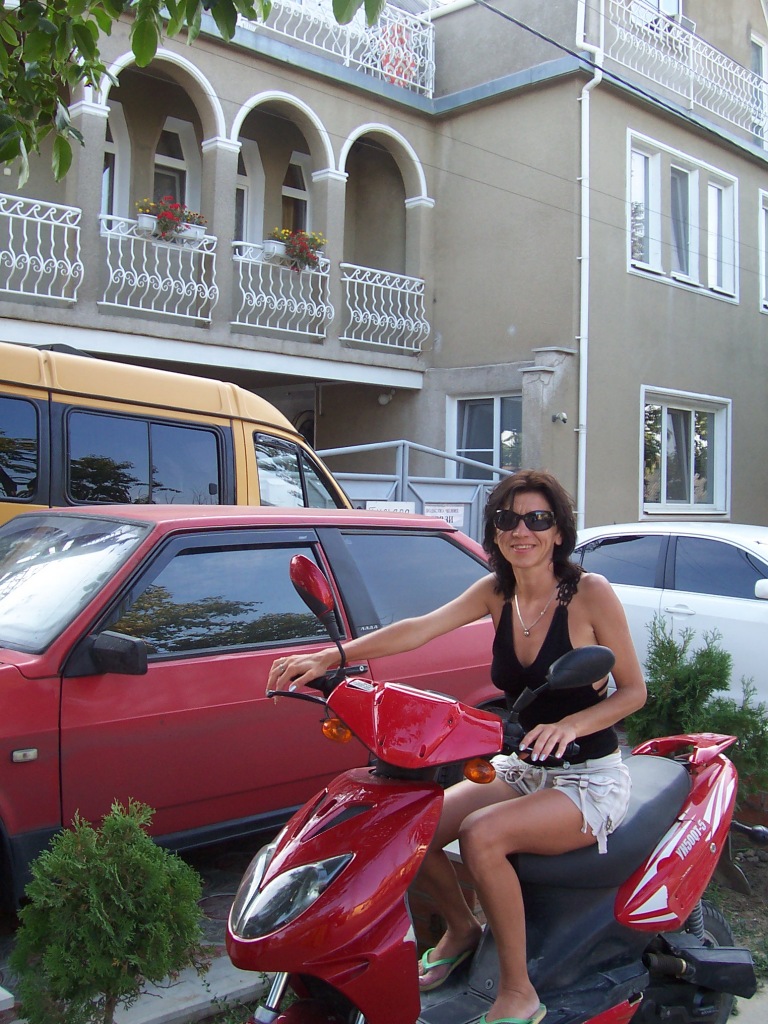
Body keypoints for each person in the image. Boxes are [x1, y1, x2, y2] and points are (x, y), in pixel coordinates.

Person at [268, 469, 646, 1024]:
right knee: (408, 825)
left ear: (559, 532)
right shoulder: (497, 592)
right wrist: (335, 656)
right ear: (494, 532)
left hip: (587, 778)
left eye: (537, 519)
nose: (522, 531)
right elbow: (420, 628)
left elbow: (634, 691)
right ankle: (462, 927)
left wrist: (572, 724)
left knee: (482, 835)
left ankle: (518, 991)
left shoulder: (590, 594)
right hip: (522, 767)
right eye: (508, 519)